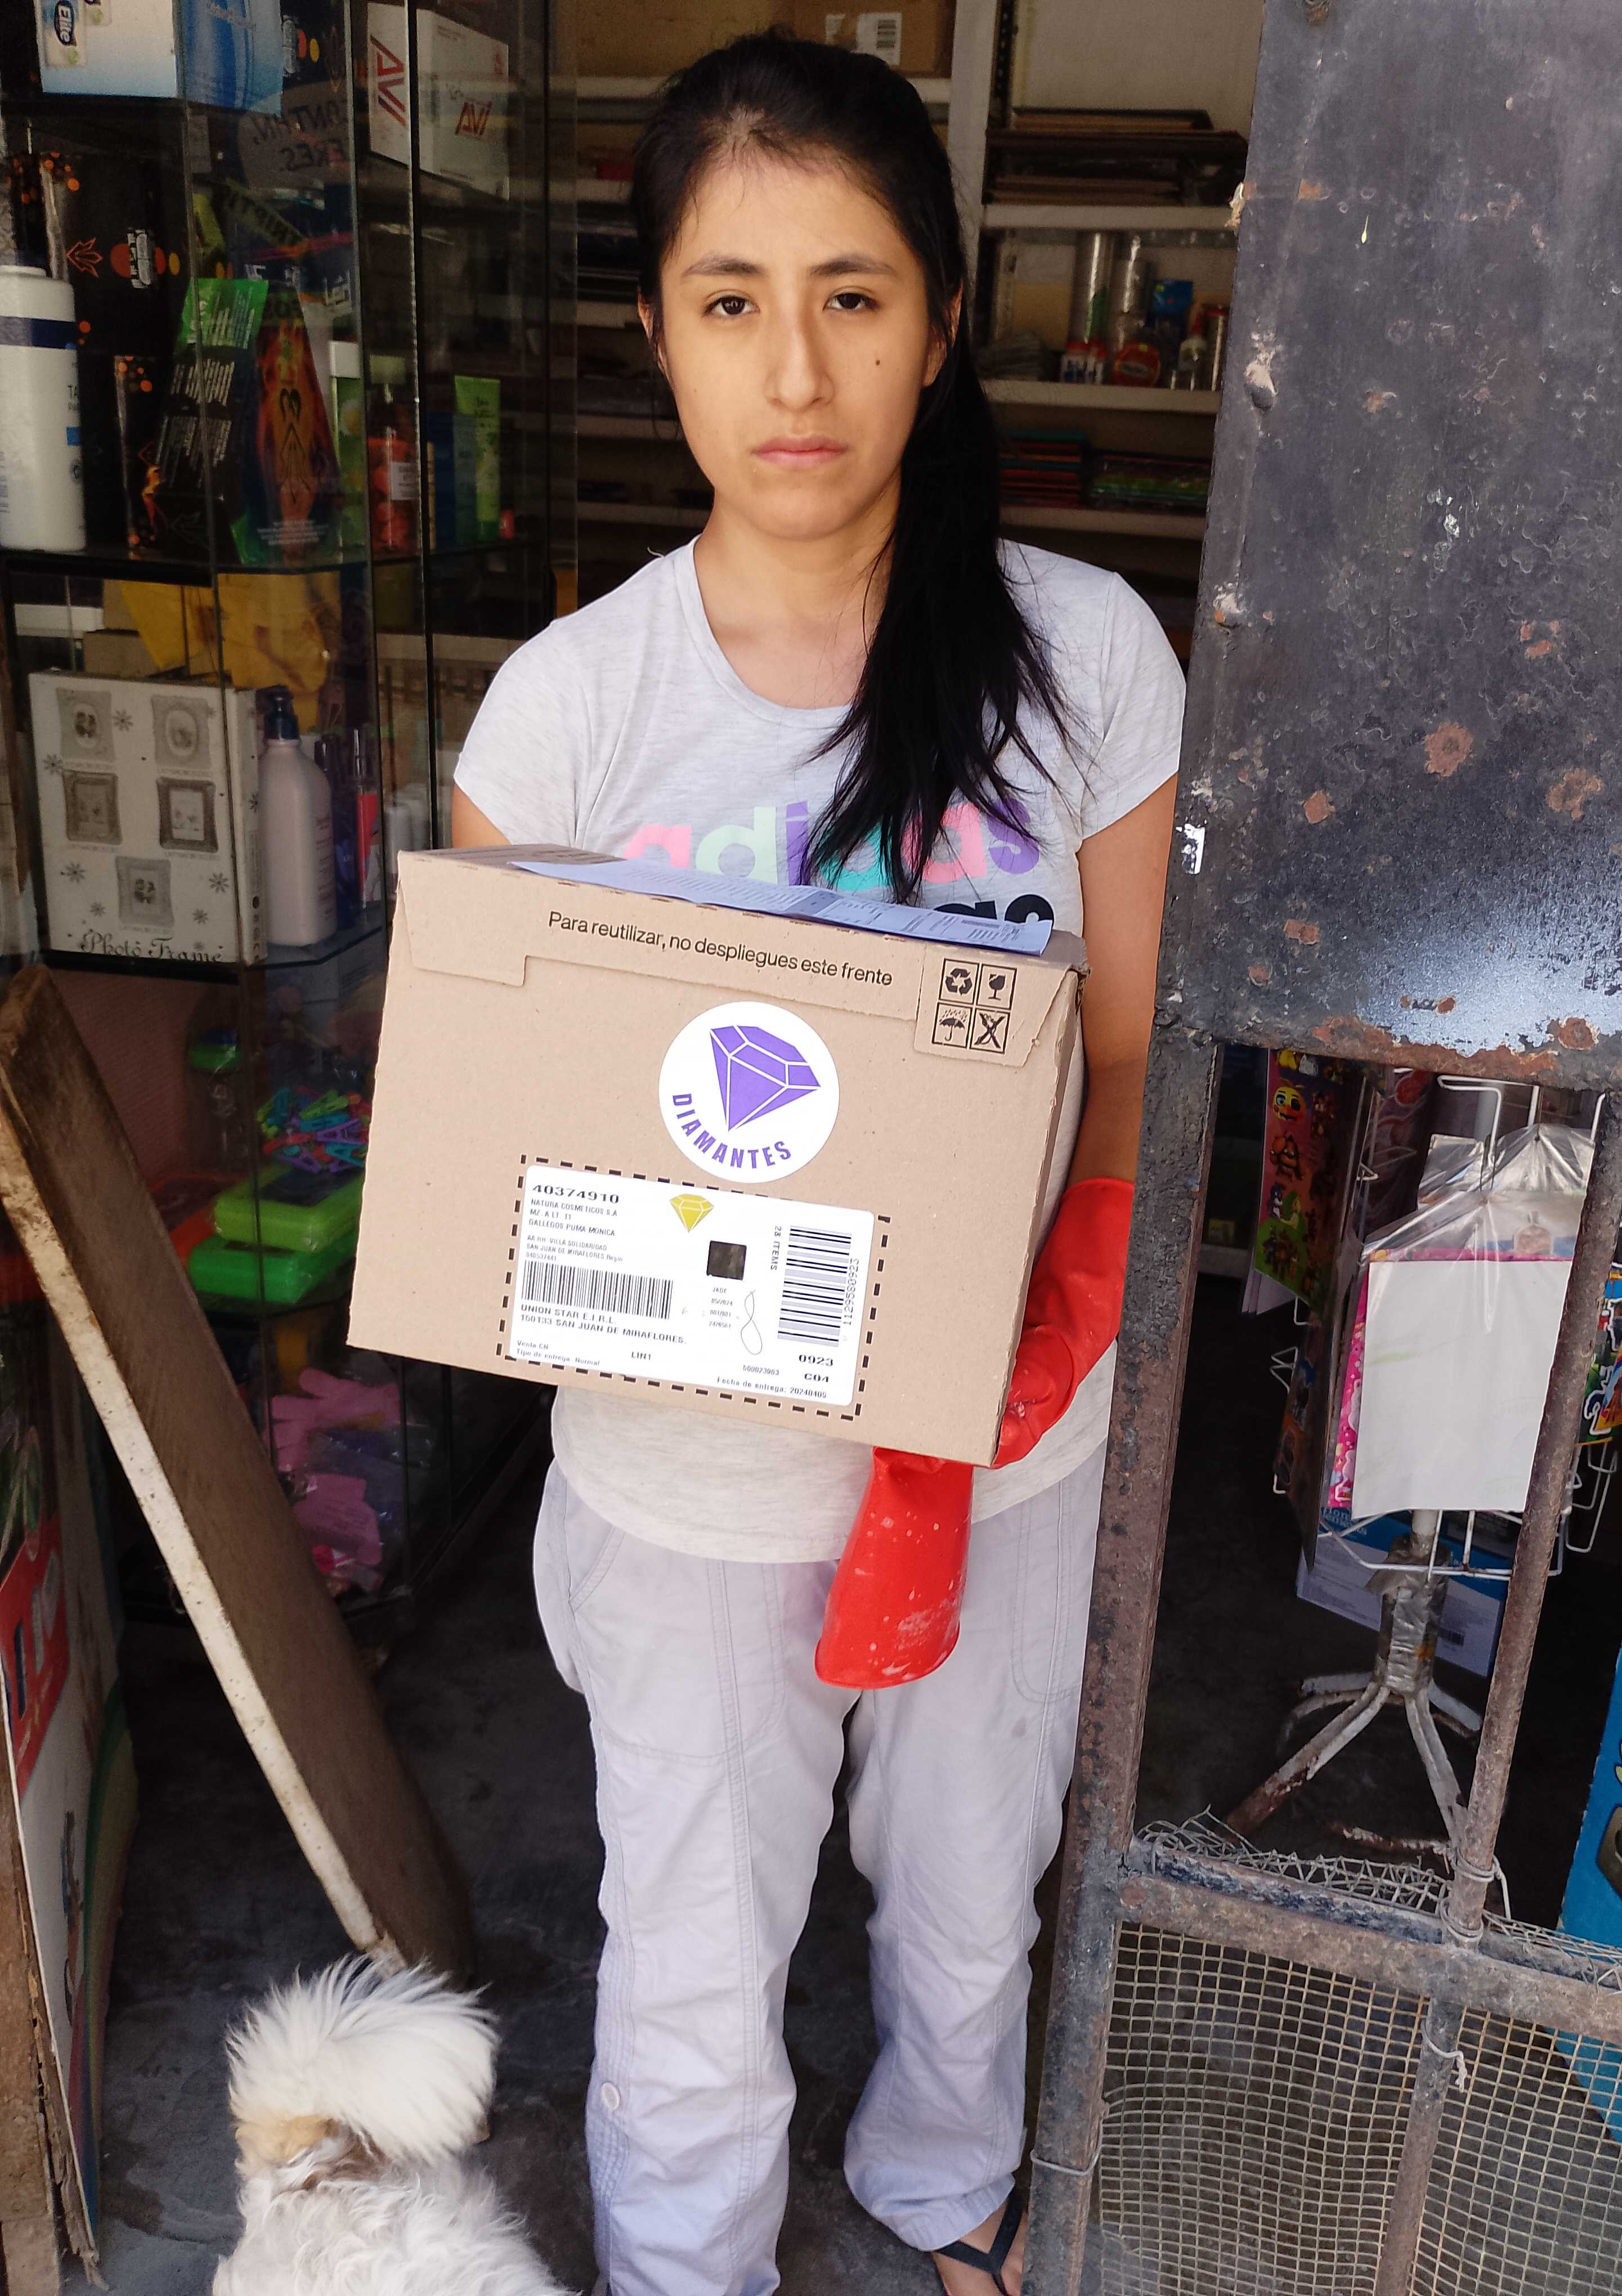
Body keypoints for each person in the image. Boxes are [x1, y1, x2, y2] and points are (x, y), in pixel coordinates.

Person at [451, 34, 1181, 2296]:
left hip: (1005, 1446)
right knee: (694, 1937)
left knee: (970, 1888)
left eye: (852, 297)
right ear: (654, 330)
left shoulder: (1083, 658)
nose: (795, 370)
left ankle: (944, 2181)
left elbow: (1129, 1058)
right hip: (692, 1482)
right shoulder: (569, 714)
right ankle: (690, 2266)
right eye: (731, 299)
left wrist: (1047, 1323)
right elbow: (499, 1148)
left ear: (939, 323)